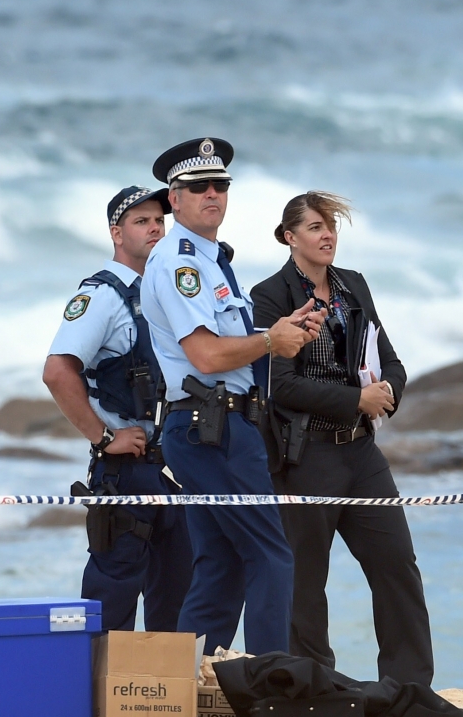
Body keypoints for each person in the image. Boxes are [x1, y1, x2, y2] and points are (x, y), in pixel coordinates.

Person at [139, 137, 325, 655]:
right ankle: (273, 685)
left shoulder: (211, 259)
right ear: (173, 199)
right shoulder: (182, 262)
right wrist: (270, 340)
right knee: (270, 556)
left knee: (220, 567)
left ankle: (185, 694)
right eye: (197, 187)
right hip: (210, 427)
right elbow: (205, 355)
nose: (212, 195)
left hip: (212, 426)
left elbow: (229, 350)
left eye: (220, 185)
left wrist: (283, 331)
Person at [251, 192, 435, 686]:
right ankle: (313, 687)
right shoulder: (270, 295)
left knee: (397, 565)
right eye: (313, 227)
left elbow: (390, 359)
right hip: (305, 453)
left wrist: (387, 391)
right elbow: (280, 385)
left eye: (330, 225)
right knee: (305, 583)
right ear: (289, 237)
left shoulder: (353, 285)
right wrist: (356, 399)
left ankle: (409, 685)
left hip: (361, 451)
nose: (327, 234)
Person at [42, 184, 192, 631]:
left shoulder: (164, 294)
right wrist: (104, 438)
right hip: (124, 470)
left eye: (159, 221)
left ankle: (161, 701)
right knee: (112, 606)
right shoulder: (102, 297)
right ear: (116, 233)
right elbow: (57, 372)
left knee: (176, 607)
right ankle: (98, 701)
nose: (154, 229)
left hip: (173, 469)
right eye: (141, 221)